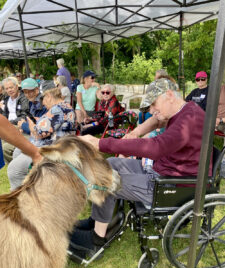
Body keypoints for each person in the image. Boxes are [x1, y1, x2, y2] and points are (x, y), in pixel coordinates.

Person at [69, 77, 212, 257]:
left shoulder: (188, 120)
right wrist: (136, 133)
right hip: (164, 171)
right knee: (110, 164)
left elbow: (156, 147)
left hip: (172, 184)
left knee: (104, 180)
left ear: (169, 95)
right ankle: (98, 221)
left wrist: (101, 144)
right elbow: (156, 120)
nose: (152, 110)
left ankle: (96, 241)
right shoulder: (185, 109)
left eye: (153, 104)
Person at [7, 87, 76, 190]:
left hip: (50, 148)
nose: (43, 104)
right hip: (57, 144)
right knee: (17, 151)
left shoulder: (57, 109)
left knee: (14, 169)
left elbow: (40, 132)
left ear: (48, 96)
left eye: (43, 100)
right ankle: (31, 184)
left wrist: (28, 125)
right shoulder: (65, 106)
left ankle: (21, 197)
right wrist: (39, 120)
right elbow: (54, 124)